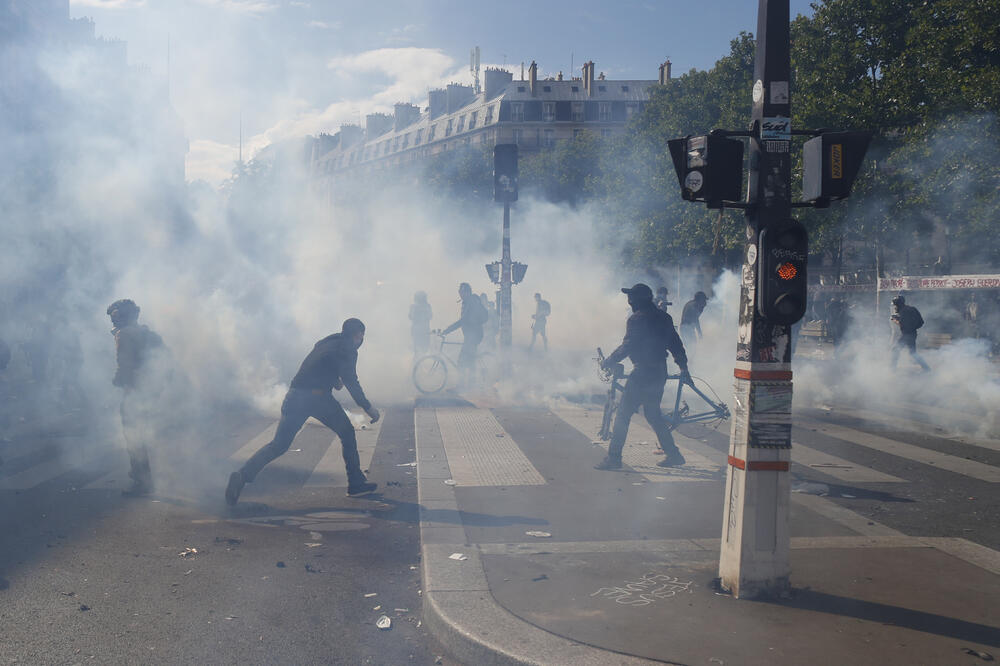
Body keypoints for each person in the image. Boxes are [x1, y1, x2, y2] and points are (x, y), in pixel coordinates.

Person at [225, 318, 379, 505]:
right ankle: (355, 484)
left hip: (295, 395)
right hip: (318, 399)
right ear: (353, 335)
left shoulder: (328, 342)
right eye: (359, 336)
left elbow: (321, 365)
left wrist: (333, 379)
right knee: (347, 432)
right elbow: (351, 382)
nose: (360, 340)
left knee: (278, 445)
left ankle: (242, 476)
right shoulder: (348, 350)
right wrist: (368, 408)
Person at [596, 283, 691, 471]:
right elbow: (676, 345)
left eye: (631, 297)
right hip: (659, 371)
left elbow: (628, 346)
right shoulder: (664, 317)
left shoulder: (637, 319)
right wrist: (683, 367)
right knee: (653, 414)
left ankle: (614, 458)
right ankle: (674, 455)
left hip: (643, 373)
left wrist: (609, 361)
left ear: (638, 300)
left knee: (623, 414)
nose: (629, 300)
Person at [107, 299, 164, 497]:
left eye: (114, 317)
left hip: (134, 393)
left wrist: (116, 381)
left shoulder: (124, 335)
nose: (113, 322)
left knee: (133, 436)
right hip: (150, 391)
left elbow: (124, 366)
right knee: (140, 434)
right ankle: (142, 475)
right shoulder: (146, 333)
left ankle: (142, 480)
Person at [441, 283, 486, 388]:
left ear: (467, 292)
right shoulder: (467, 302)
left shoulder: (471, 303)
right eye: (459, 292)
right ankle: (471, 384)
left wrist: (447, 330)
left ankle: (461, 386)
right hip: (472, 335)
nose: (460, 294)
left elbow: (463, 321)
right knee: (470, 360)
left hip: (474, 336)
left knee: (461, 361)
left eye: (461, 292)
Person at [889, 295, 930, 371]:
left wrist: (895, 320)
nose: (895, 307)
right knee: (913, 353)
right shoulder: (912, 309)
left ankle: (892, 370)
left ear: (898, 304)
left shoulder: (903, 312)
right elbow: (921, 322)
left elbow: (904, 325)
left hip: (906, 335)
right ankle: (927, 368)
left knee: (895, 350)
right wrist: (913, 327)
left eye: (895, 305)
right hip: (912, 334)